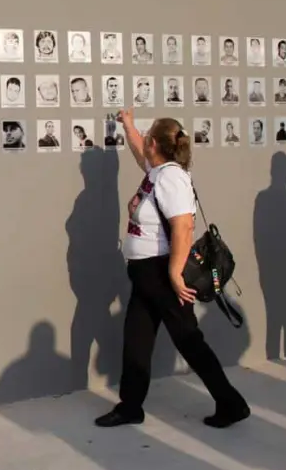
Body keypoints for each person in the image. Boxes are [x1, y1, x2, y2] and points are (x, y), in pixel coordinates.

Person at [94, 109, 250, 430]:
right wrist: (128, 126)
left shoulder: (173, 178)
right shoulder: (158, 171)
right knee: (136, 338)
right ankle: (130, 406)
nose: (144, 144)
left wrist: (175, 274)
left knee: (190, 342)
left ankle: (231, 403)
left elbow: (183, 227)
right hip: (145, 275)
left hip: (163, 275)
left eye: (147, 137)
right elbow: (141, 155)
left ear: (156, 144)